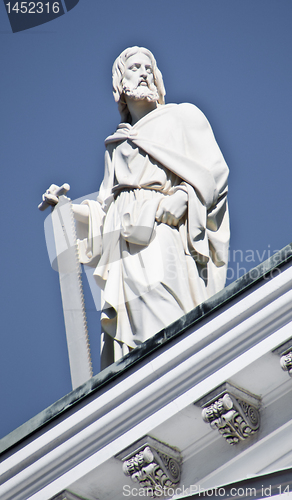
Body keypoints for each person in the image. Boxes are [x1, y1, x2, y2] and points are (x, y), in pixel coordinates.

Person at [42, 46, 230, 368]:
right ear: (119, 85)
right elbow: (106, 209)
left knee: (165, 305)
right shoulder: (117, 145)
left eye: (148, 67)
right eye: (134, 67)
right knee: (133, 335)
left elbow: (214, 172)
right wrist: (67, 211)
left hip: (161, 234)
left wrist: (184, 196)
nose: (143, 72)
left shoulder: (183, 116)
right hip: (123, 251)